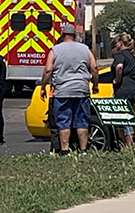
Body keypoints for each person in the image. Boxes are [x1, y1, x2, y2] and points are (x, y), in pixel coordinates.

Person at [39, 23, 99, 155]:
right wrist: (95, 84)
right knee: (82, 121)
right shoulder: (85, 49)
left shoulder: (55, 50)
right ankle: (83, 150)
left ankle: (64, 150)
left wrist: (43, 87)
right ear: (74, 35)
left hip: (62, 91)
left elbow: (48, 70)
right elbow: (94, 67)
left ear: (62, 34)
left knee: (63, 121)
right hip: (81, 90)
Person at [111, 33, 135, 148]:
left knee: (123, 118)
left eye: (116, 43)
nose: (115, 45)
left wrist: (117, 80)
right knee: (126, 116)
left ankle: (128, 146)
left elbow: (119, 66)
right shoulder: (133, 55)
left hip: (123, 89)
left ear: (120, 43)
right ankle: (128, 145)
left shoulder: (121, 54)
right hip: (134, 89)